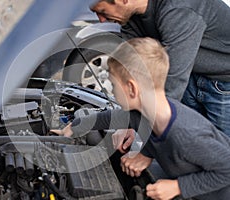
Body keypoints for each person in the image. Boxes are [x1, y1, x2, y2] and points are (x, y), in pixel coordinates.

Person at [51, 37, 230, 200]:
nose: (111, 90)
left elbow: (227, 169)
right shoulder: (144, 114)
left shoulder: (186, 134)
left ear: (131, 88)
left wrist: (178, 187)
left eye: (113, 85)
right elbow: (112, 117)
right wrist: (73, 127)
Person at [89, 0, 230, 137]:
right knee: (187, 139)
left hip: (223, 84)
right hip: (190, 75)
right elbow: (132, 70)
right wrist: (130, 122)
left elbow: (172, 84)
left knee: (222, 149)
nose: (101, 20)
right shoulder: (130, 17)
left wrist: (146, 150)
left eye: (102, 11)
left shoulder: (179, 8)